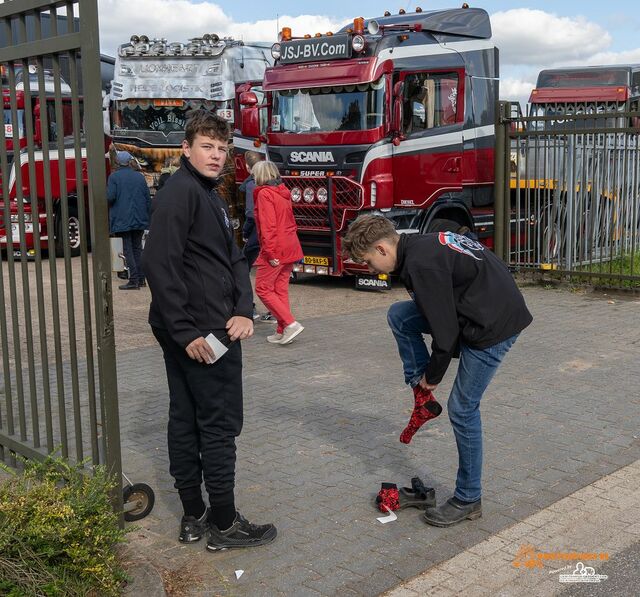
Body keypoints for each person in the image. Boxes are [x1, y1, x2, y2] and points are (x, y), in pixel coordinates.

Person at [142, 110, 277, 551]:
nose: (216, 155)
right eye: (207, 146)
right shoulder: (179, 193)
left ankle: (194, 515)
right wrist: (185, 332)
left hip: (209, 324)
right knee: (216, 424)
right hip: (200, 333)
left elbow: (234, 260)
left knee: (187, 419)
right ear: (185, 148)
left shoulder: (210, 194)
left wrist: (243, 308)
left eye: (222, 149)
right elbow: (159, 265)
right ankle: (223, 523)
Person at [343, 215, 532, 528]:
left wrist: (433, 376)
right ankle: (420, 394)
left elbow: (444, 337)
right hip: (478, 307)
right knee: (400, 316)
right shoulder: (418, 246)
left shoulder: (421, 265)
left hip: (493, 324)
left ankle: (469, 498)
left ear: (382, 248)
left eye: (369, 262)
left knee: (462, 409)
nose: (372, 270)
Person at [252, 160, 304, 345]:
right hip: (290, 245)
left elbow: (268, 227)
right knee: (280, 289)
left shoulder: (265, 194)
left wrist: (270, 253)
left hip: (276, 248)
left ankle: (290, 324)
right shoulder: (283, 192)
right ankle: (283, 329)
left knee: (263, 288)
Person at [107, 151, 150, 290]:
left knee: (128, 249)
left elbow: (110, 197)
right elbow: (147, 198)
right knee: (138, 248)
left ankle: (133, 280)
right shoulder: (139, 177)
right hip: (139, 217)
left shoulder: (114, 177)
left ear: (118, 162)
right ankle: (142, 279)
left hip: (123, 218)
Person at [239, 151, 273, 322]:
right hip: (270, 236)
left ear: (247, 167)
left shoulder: (252, 185)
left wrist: (245, 232)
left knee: (242, 269)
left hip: (256, 235)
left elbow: (251, 214)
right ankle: (274, 311)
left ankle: (248, 308)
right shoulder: (274, 186)